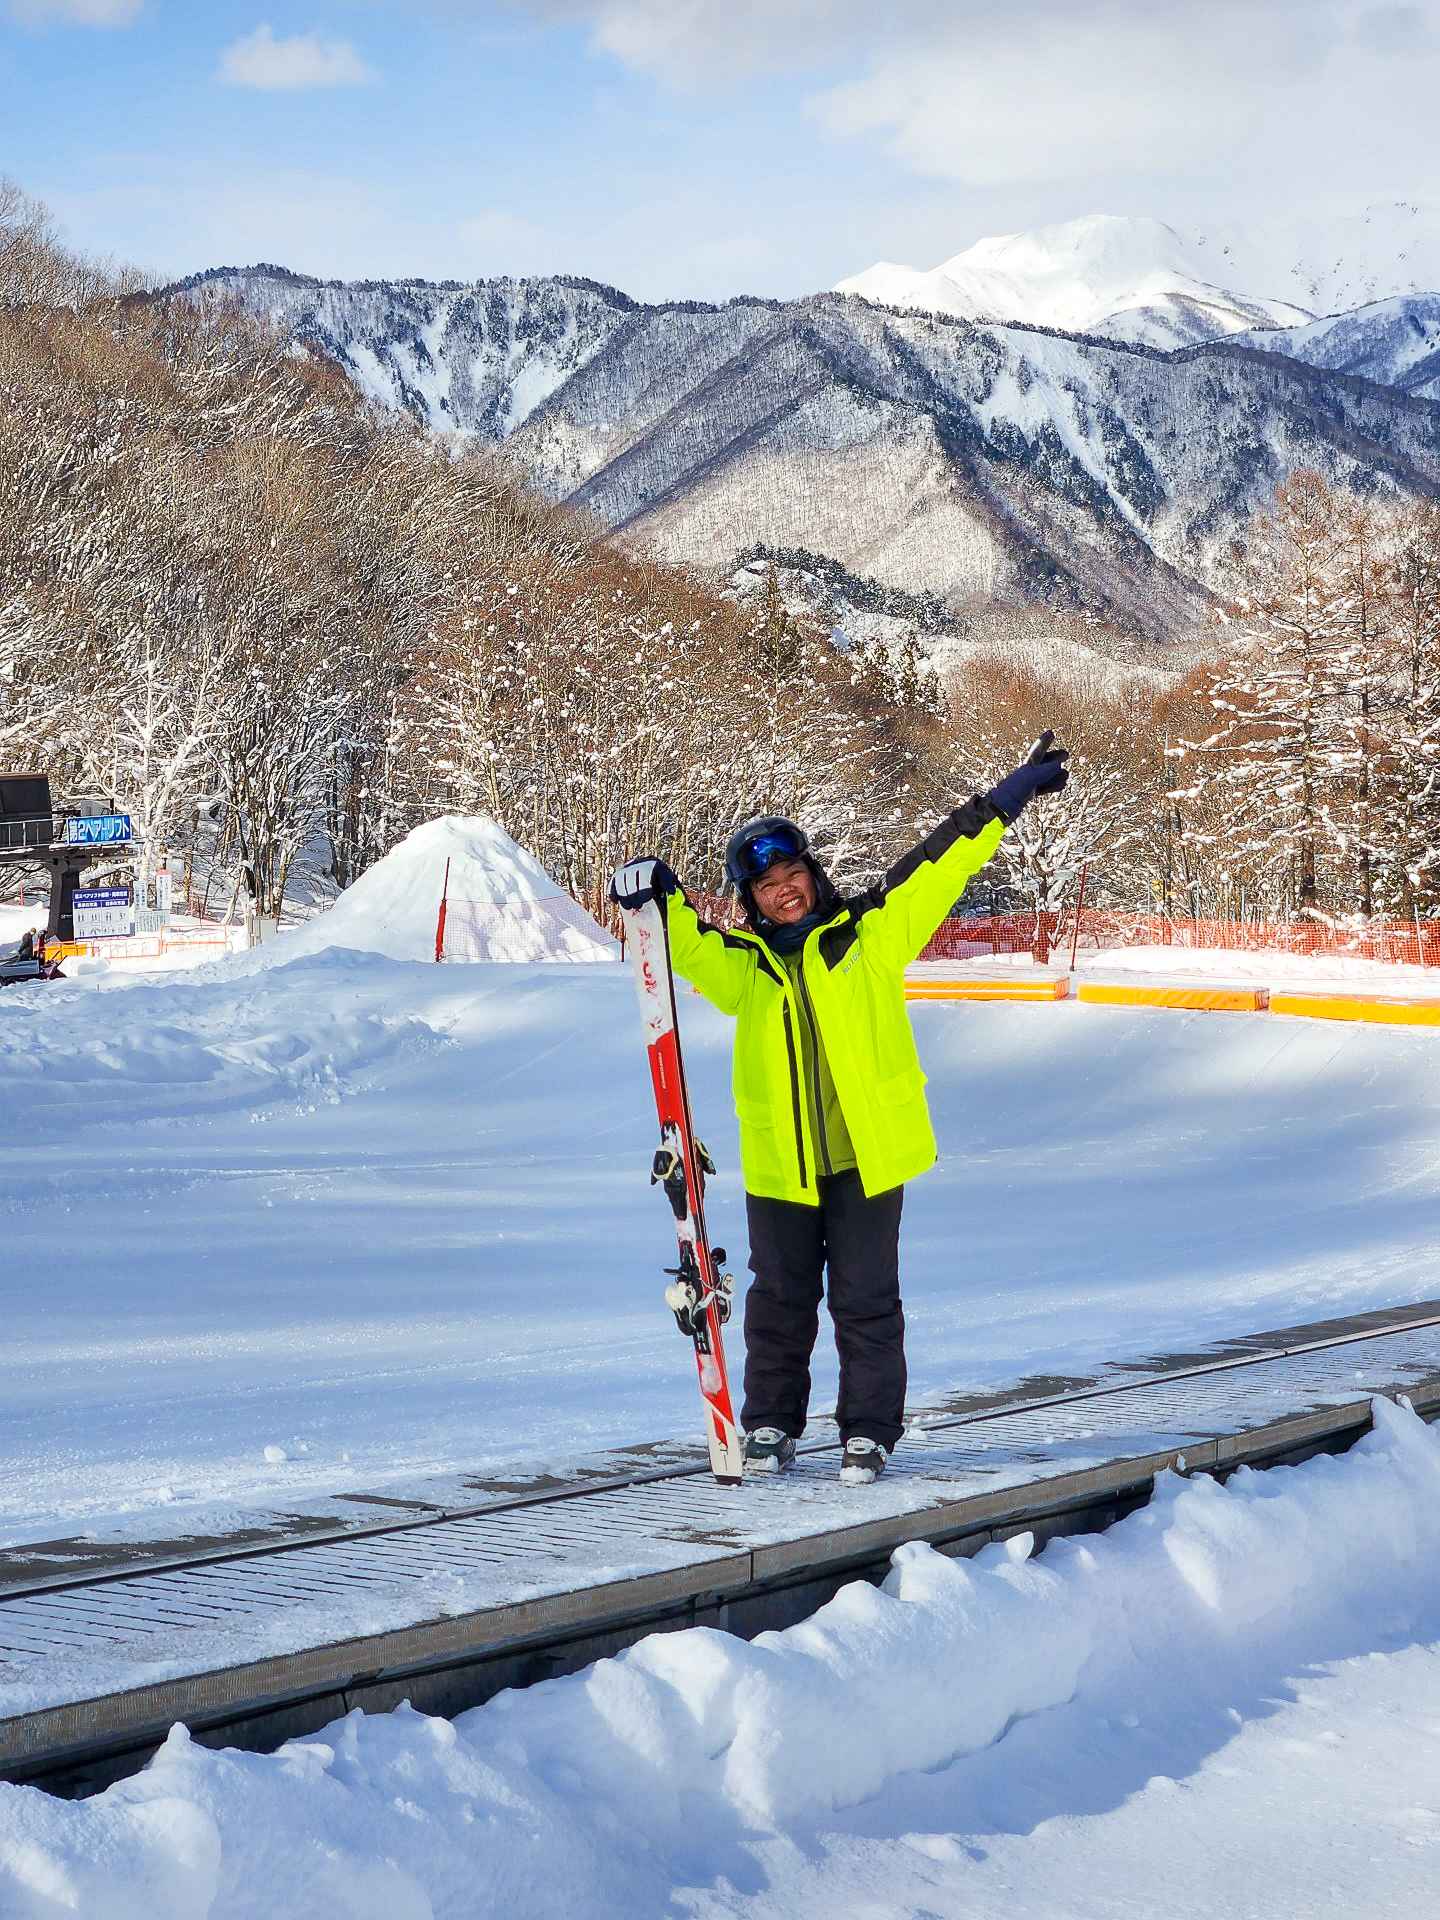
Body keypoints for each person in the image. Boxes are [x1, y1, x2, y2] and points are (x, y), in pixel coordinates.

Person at [611, 733, 1069, 1485]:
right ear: (751, 901)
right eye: (765, 887)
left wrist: (1003, 801)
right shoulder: (747, 970)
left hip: (866, 1158)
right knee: (779, 1305)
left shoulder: (868, 936)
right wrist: (658, 892)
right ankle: (769, 1427)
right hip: (780, 1165)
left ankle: (868, 1432)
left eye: (792, 875)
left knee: (866, 1303)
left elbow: (938, 865)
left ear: (812, 876)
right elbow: (686, 947)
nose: (782, 892)